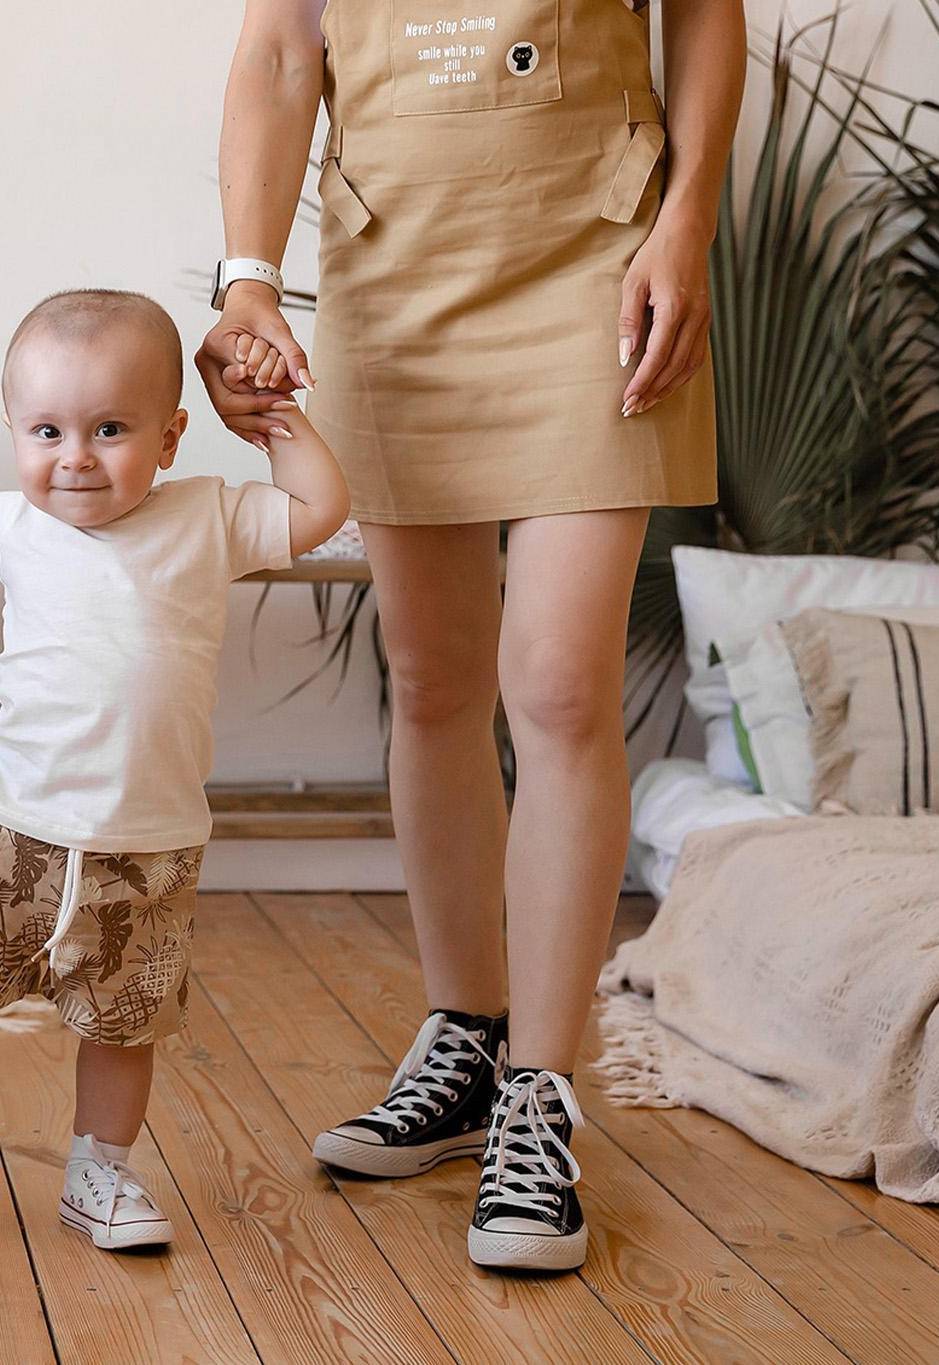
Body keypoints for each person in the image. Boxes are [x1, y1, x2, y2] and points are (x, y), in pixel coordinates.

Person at [200, 0, 744, 1270]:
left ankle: (540, 1095)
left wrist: (687, 222)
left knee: (555, 685)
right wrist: (245, 275)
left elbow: (705, 11)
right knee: (432, 679)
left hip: (597, 260)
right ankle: (465, 1039)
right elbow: (282, 50)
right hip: (396, 274)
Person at [0, 292, 349, 1260]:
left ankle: (100, 1168)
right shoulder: (12, 523)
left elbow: (319, 509)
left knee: (122, 1022)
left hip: (149, 839)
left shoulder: (206, 517)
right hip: (10, 826)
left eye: (109, 429)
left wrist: (275, 421)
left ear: (171, 435)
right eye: (46, 431)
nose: (75, 456)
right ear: (14, 432)